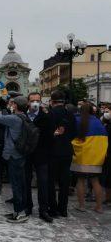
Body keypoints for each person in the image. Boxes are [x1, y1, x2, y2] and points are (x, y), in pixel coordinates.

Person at [0, 96, 28, 223]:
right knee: (19, 183)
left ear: (16, 106)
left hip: (14, 155)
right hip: (20, 154)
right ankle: (19, 210)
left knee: (16, 184)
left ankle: (19, 213)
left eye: (12, 103)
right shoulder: (23, 117)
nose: (11, 104)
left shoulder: (14, 119)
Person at [71, 103, 108, 213]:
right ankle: (99, 207)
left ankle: (81, 206)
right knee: (95, 181)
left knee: (80, 180)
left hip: (82, 156)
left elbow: (73, 135)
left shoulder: (77, 120)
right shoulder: (98, 122)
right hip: (96, 157)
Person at [24, 92, 53, 223]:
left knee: (43, 182)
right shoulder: (23, 116)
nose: (35, 103)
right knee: (26, 181)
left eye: (37, 100)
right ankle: (27, 207)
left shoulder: (46, 117)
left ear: (41, 102)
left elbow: (49, 137)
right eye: (32, 100)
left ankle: (43, 210)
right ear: (28, 102)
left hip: (41, 154)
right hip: (26, 154)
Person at [47, 90, 76, 218]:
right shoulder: (70, 114)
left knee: (51, 181)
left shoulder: (50, 113)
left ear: (52, 101)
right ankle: (63, 209)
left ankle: (52, 209)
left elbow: (47, 133)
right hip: (67, 151)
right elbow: (75, 132)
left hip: (53, 151)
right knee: (65, 182)